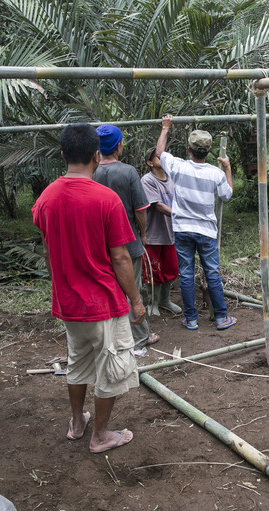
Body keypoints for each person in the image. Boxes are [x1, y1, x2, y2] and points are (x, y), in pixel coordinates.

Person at [31, 123, 146, 454]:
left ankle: (77, 422)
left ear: (63, 156)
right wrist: (136, 302)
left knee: (77, 364)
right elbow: (121, 258)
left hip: (69, 303)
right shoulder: (105, 199)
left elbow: (48, 249)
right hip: (103, 302)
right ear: (97, 155)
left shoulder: (46, 199)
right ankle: (100, 435)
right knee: (112, 368)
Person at [154, 114, 237, 331]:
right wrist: (227, 168)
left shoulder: (179, 167)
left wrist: (165, 128)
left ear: (189, 149)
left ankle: (191, 319)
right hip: (206, 231)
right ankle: (221, 318)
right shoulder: (215, 173)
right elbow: (227, 195)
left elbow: (160, 153)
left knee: (187, 273)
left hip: (182, 229)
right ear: (209, 151)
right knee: (212, 272)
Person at [92, 125, 158, 352]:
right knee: (133, 288)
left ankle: (110, 339)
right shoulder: (128, 172)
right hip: (127, 243)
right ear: (119, 146)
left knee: (106, 290)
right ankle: (139, 340)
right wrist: (143, 233)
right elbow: (140, 209)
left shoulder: (91, 172)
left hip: (99, 246)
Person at [140, 146, 183, 316]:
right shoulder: (147, 180)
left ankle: (165, 300)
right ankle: (152, 303)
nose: (161, 159)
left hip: (171, 232)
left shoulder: (172, 177)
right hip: (154, 234)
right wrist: (184, 215)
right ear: (150, 163)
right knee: (153, 270)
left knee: (171, 268)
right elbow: (157, 205)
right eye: (157, 157)